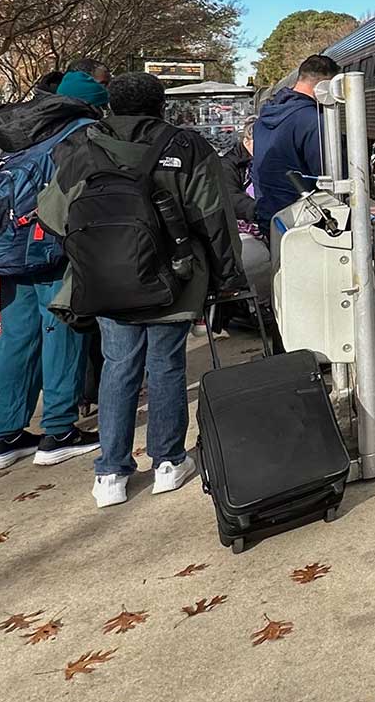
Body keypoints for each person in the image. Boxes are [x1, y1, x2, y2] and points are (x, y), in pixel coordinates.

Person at [38, 72, 246, 508]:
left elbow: (54, 215)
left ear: (110, 106)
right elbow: (214, 217)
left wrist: (98, 248)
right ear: (162, 106)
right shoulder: (185, 146)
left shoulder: (82, 147)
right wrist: (228, 277)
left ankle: (110, 474)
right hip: (176, 277)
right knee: (166, 365)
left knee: (118, 366)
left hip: (106, 281)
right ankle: (169, 462)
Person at [0, 78, 105, 470]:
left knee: (16, 337)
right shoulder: (81, 130)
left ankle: (5, 435)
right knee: (61, 328)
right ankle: (59, 430)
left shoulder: (19, 125)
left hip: (9, 245)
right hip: (52, 246)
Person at [250, 53, 340, 235]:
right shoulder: (313, 121)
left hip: (271, 216)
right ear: (324, 86)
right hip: (305, 222)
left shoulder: (264, 117)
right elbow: (330, 176)